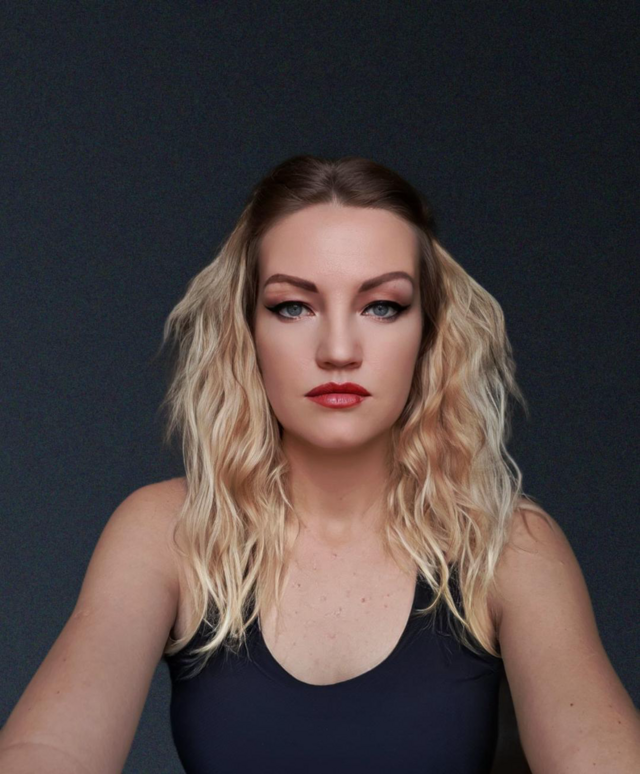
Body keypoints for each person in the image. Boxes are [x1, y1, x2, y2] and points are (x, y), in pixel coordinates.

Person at [1, 155, 638, 773]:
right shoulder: (166, 533)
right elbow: (49, 751)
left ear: (429, 333)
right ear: (246, 331)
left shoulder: (510, 546)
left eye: (382, 306)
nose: (338, 350)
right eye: (293, 307)